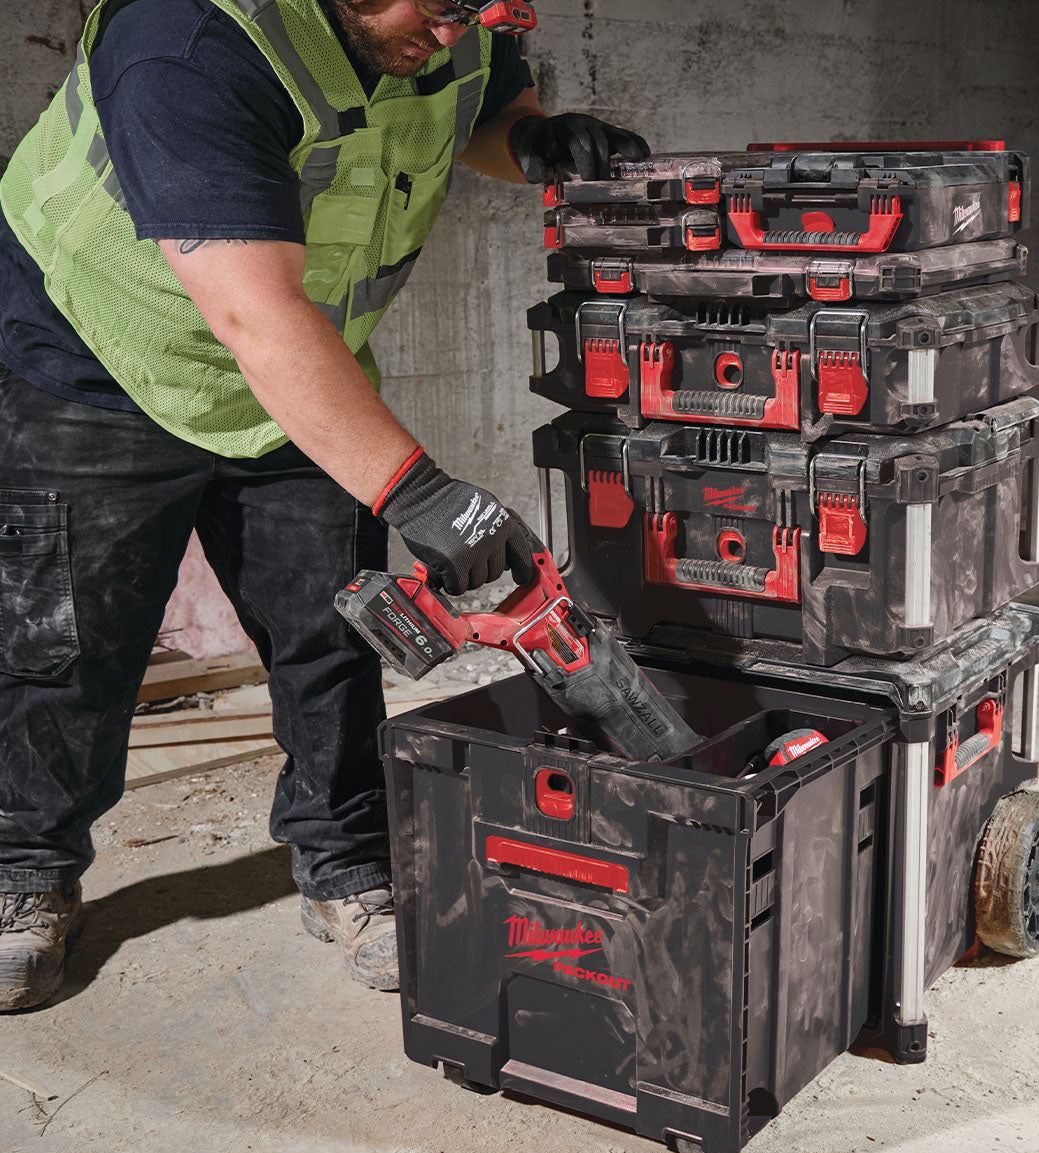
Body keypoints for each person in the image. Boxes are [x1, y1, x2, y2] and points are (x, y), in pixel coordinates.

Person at [0, 0, 650, 1012]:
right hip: (100, 358)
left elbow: (479, 102)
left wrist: (525, 137)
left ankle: (346, 863)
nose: (456, 34)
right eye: (440, 10)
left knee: (333, 633)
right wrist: (421, 494)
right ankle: (26, 871)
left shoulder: (451, 20)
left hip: (304, 372)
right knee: (70, 643)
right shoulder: (186, 40)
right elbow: (252, 313)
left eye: (478, 11)